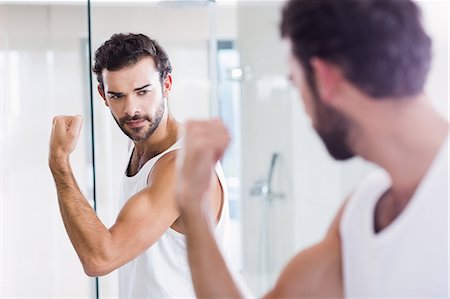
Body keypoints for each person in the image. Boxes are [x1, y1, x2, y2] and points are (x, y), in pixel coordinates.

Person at [175, 0, 449, 297]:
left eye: (296, 83)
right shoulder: (363, 211)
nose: (303, 106)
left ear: (324, 77)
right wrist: (194, 205)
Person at [48, 33, 230, 298]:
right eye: (118, 96)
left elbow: (100, 259)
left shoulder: (182, 168)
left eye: (143, 92)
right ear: (103, 95)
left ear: (166, 84)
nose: (131, 109)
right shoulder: (140, 145)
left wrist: (59, 162)